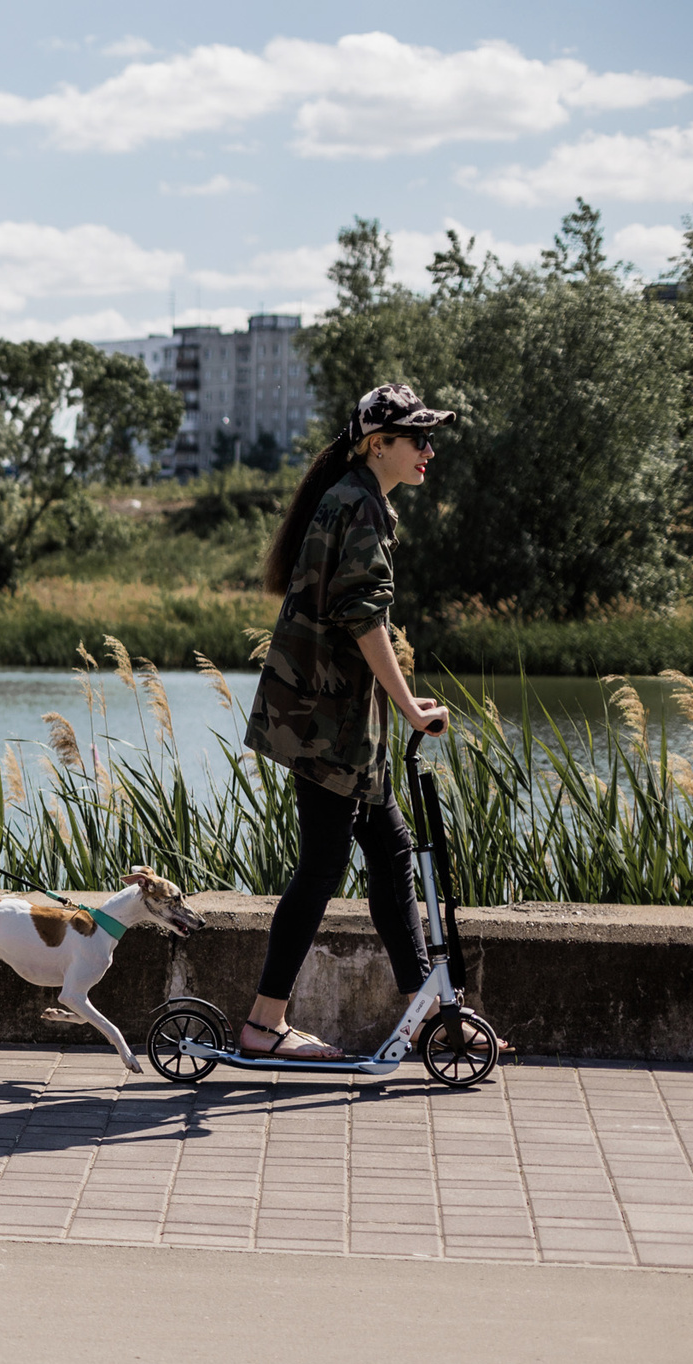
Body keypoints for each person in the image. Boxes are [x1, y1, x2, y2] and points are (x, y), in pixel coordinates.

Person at [237, 383, 454, 1060]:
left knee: (390, 856)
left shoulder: (358, 499)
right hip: (327, 727)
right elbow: (364, 617)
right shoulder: (358, 505)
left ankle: (428, 1012)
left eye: (428, 436)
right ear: (376, 443)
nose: (428, 448)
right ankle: (264, 1025)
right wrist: (410, 702)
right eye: (415, 437)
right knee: (323, 867)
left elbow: (360, 615)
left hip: (336, 726)